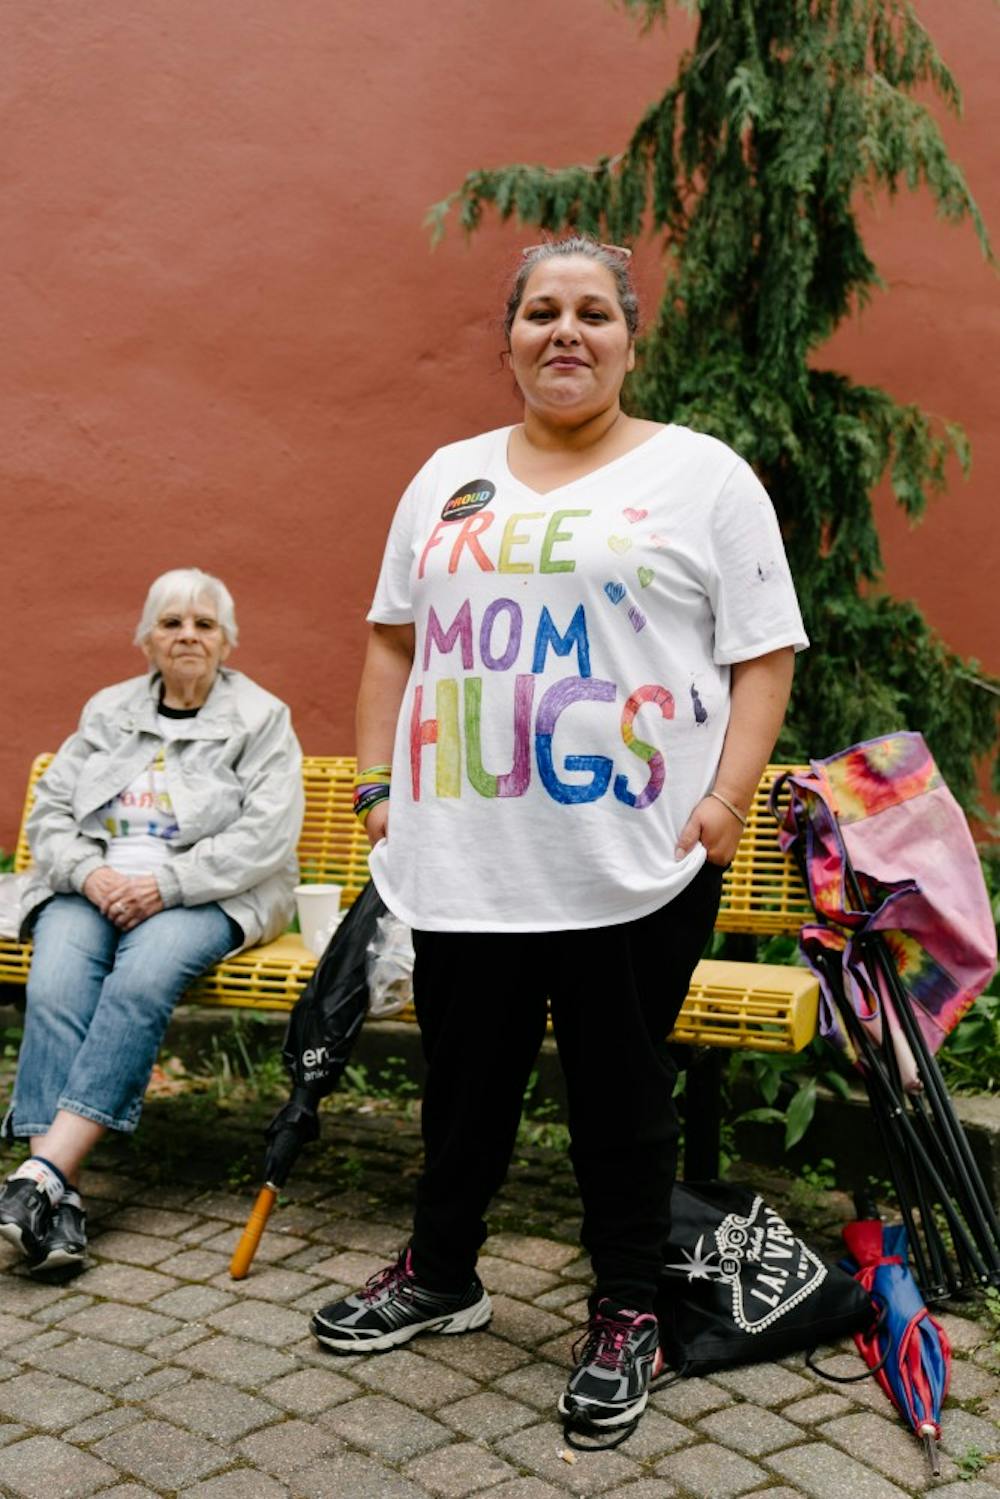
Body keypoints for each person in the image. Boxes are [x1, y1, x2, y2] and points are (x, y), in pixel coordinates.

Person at [311, 237, 808, 1443]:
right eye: (542, 312)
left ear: (632, 337)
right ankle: (442, 1274)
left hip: (630, 859)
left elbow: (764, 652)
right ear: (510, 338)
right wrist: (379, 785)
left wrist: (724, 800)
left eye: (593, 312)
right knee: (465, 1087)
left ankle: (627, 1309)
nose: (565, 332)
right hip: (466, 854)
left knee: (621, 1099)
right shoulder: (445, 477)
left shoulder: (704, 477)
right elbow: (391, 637)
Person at [0, 568, 304, 1275]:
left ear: (226, 639)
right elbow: (50, 816)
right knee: (53, 983)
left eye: (204, 623)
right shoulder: (107, 710)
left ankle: (38, 1172)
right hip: (95, 883)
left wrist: (165, 883)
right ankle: (59, 1201)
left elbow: (265, 837)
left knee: (141, 978)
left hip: (207, 892)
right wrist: (90, 874)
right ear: (147, 638)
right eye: (172, 622)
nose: (188, 635)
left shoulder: (261, 717)